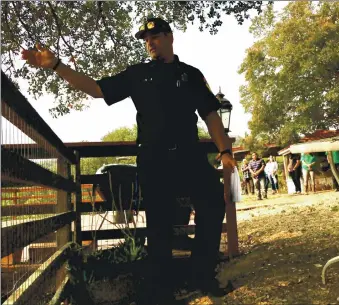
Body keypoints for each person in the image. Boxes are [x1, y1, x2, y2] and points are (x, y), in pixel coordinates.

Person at [22, 17, 237, 304]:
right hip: (154, 159)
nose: (150, 42)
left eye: (156, 36)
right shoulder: (137, 74)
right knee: (158, 225)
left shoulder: (191, 75)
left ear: (170, 37)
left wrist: (225, 153)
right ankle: (160, 294)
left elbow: (211, 115)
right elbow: (96, 89)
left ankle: (202, 274)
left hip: (189, 156)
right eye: (146, 39)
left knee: (212, 204)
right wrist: (56, 65)